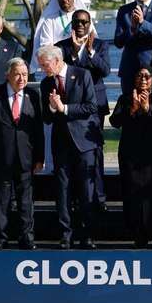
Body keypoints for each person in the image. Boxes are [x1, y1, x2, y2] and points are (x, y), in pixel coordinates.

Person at [37, 45, 99, 249]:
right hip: (61, 143)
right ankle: (66, 234)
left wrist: (64, 108)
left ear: (56, 60)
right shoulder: (46, 83)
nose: (43, 70)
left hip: (84, 143)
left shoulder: (82, 75)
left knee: (85, 191)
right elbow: (46, 118)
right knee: (62, 190)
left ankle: (87, 234)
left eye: (45, 65)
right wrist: (51, 107)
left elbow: (91, 107)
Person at [0, 58, 44, 250]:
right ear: (8, 75)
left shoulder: (33, 95)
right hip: (0, 158)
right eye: (17, 74)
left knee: (26, 201)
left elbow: (38, 131)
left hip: (26, 158)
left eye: (25, 74)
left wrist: (40, 158)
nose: (22, 78)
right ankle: (1, 237)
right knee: (0, 201)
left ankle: (26, 237)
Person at [110, 66, 152, 249]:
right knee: (133, 195)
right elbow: (115, 122)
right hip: (132, 155)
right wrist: (133, 109)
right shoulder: (125, 98)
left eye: (147, 76)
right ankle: (138, 234)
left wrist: (147, 108)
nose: (143, 80)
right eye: (139, 76)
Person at [55, 9, 110, 216]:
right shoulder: (62, 47)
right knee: (73, 155)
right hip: (69, 108)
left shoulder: (100, 45)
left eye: (84, 22)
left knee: (95, 154)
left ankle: (99, 196)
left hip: (93, 106)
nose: (80, 25)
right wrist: (74, 53)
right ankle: (79, 197)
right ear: (71, 23)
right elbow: (63, 73)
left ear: (90, 24)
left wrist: (88, 53)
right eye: (76, 21)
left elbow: (104, 70)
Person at [29, 0, 88, 71]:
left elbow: (90, 41)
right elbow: (46, 45)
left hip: (82, 65)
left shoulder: (84, 17)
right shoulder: (49, 20)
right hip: (58, 66)